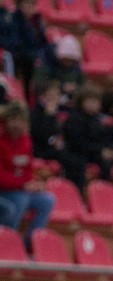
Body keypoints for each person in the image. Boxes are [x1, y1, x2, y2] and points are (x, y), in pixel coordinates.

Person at [62, 84, 113, 195]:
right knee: (81, 165)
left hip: (100, 152)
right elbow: (77, 143)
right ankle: (86, 196)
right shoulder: (74, 119)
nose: (93, 105)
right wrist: (100, 151)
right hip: (80, 153)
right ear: (81, 102)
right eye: (89, 101)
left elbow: (111, 137)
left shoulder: (101, 119)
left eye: (95, 102)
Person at [0, 100, 53, 243]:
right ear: (5, 122)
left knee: (47, 200)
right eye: (13, 120)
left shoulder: (26, 141)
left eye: (20, 121)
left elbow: (27, 170)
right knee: (20, 199)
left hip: (17, 189)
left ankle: (30, 242)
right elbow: (2, 177)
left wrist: (32, 184)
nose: (16, 125)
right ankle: (7, 241)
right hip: (4, 192)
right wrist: (23, 184)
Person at [31, 34, 83, 110]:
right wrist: (62, 87)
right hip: (47, 102)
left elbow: (82, 85)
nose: (68, 63)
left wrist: (76, 88)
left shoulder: (76, 68)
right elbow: (38, 85)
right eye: (66, 59)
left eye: (71, 60)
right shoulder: (45, 65)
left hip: (69, 102)